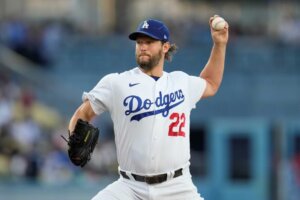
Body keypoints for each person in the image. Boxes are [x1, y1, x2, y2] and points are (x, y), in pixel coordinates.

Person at [68, 16, 229, 200]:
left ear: (165, 47)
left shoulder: (181, 82)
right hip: (129, 187)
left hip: (176, 187)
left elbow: (211, 83)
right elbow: (83, 113)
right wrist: (73, 139)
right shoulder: (117, 83)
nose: (142, 46)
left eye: (149, 42)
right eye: (139, 42)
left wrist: (219, 44)